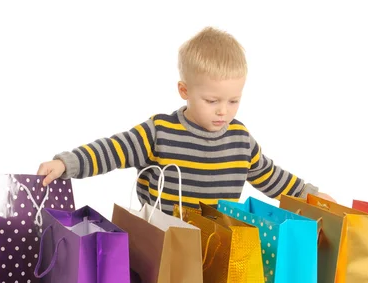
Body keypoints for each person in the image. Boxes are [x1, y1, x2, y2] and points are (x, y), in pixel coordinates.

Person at [37, 26, 335, 215]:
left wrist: (308, 194)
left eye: (233, 101)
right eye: (212, 101)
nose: (223, 111)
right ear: (185, 91)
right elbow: (113, 150)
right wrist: (68, 163)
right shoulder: (161, 131)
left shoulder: (240, 140)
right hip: (165, 242)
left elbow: (270, 176)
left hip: (218, 243)